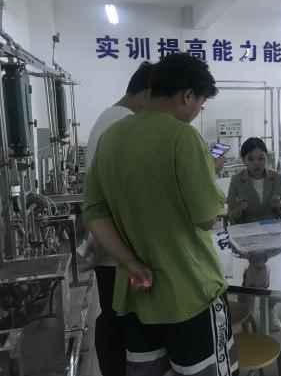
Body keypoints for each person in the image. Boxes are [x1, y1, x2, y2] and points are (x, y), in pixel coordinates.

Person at [83, 53, 237, 376]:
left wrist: (130, 262)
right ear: (187, 96)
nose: (197, 112)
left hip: (138, 292)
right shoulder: (183, 137)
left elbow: (94, 212)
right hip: (191, 292)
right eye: (201, 104)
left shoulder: (112, 137)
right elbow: (206, 218)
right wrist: (208, 171)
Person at [81, 61, 152, 376]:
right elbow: (118, 193)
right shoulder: (123, 123)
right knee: (121, 322)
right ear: (148, 93)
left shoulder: (108, 117)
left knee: (113, 318)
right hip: (118, 253)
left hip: (109, 246)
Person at [227, 137, 281, 331]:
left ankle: (270, 307)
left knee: (279, 275)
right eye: (251, 159)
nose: (257, 163)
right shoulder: (237, 180)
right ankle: (246, 312)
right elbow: (231, 217)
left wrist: (279, 205)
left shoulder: (276, 178)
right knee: (248, 276)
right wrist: (238, 209)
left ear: (267, 158)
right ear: (244, 160)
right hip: (247, 239)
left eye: (261, 158)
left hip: (273, 238)